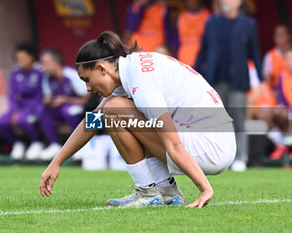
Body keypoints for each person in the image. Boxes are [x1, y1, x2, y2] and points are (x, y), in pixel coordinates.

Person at [39, 31, 236, 208]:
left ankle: (148, 193)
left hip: (210, 147)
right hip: (216, 141)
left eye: (87, 80)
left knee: (114, 110)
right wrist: (57, 162)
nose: (88, 89)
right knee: (115, 110)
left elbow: (173, 143)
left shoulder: (141, 83)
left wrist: (205, 188)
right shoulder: (129, 69)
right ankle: (168, 193)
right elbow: (93, 121)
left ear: (101, 68)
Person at [194, 0, 263, 172]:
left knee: (239, 119)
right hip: (215, 78)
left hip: (238, 80)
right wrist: (194, 72)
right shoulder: (212, 22)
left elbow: (255, 52)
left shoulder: (248, 24)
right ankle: (218, 157)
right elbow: (203, 50)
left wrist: (261, 80)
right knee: (216, 120)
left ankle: (241, 157)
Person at [38, 49, 89, 160]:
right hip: (59, 109)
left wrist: (65, 100)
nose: (43, 66)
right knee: (42, 111)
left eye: (45, 63)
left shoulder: (72, 75)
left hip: (78, 108)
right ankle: (54, 144)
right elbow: (48, 96)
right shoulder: (46, 78)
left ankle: (79, 146)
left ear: (56, 63)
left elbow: (87, 99)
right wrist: (48, 101)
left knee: (69, 111)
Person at [0, 43, 44, 160]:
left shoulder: (40, 72)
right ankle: (18, 144)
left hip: (35, 108)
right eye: (18, 59)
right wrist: (14, 110)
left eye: (23, 58)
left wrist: (25, 111)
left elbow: (40, 96)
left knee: (22, 120)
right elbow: (11, 94)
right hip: (19, 107)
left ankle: (37, 143)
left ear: (32, 57)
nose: (20, 61)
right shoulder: (15, 72)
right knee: (1, 122)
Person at [176, 0, 210, 67]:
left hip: (200, 63)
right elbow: (177, 41)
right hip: (183, 61)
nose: (189, 2)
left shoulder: (207, 16)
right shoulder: (182, 17)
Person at [263, 24, 291, 90]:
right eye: (278, 35)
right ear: (274, 38)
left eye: (283, 34)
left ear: (289, 36)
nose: (281, 38)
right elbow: (267, 80)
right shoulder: (269, 56)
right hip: (276, 91)